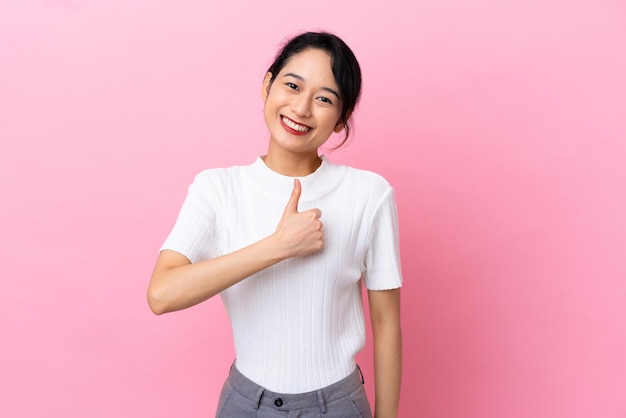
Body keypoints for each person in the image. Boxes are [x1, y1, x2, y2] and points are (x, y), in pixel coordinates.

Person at [147, 31, 403, 418]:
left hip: (338, 406)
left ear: (341, 119)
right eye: (292, 85)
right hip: (245, 404)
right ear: (268, 85)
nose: (301, 108)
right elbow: (161, 294)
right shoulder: (218, 189)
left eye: (324, 99)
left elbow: (387, 323)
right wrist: (278, 246)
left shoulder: (369, 195)